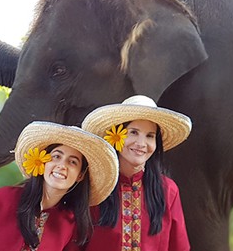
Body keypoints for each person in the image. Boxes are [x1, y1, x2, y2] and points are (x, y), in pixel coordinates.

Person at [0, 121, 119, 250]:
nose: (62, 165)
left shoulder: (70, 223)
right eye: (56, 156)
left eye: (72, 162)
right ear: (42, 162)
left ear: (80, 175)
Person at [81, 95, 192, 250]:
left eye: (150, 136)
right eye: (133, 132)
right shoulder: (94, 187)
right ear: (116, 136)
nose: (141, 144)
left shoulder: (168, 191)